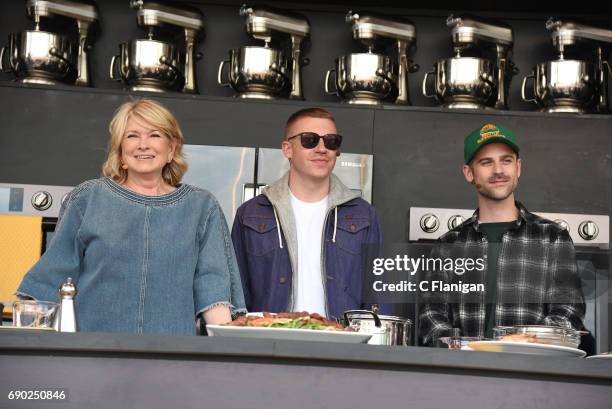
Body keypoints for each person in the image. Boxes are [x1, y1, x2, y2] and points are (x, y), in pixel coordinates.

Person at [17, 99, 246, 335]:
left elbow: (213, 286)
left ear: (172, 148)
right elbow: (53, 273)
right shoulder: (88, 198)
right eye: (132, 136)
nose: (143, 145)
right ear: (120, 151)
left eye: (155, 135)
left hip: (172, 355)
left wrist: (224, 342)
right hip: (94, 352)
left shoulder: (202, 207)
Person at [419, 123, 585, 346]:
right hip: (462, 374)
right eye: (486, 162)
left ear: (518, 167)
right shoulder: (447, 245)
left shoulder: (553, 238)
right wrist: (465, 352)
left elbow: (567, 312)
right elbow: (431, 317)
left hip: (532, 374)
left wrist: (521, 345)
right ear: (469, 173)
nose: (498, 170)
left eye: (506, 160)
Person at [231, 107, 388, 319]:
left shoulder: (364, 215)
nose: (322, 148)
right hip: (270, 343)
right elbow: (236, 292)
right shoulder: (250, 214)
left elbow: (378, 294)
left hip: (343, 346)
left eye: (331, 141)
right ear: (287, 149)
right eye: (309, 140)